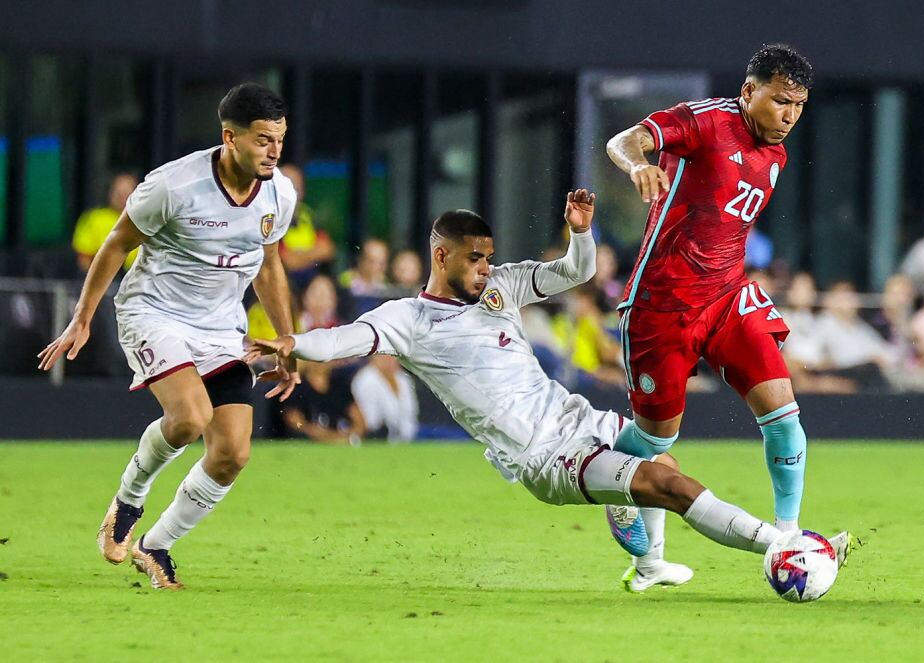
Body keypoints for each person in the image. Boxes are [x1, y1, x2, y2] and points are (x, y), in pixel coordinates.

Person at [247, 191, 850, 592]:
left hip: (575, 417)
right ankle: (786, 550)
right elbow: (344, 342)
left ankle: (648, 567)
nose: (486, 269)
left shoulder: (501, 289)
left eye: (489, 258)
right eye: (475, 259)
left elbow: (575, 273)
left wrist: (580, 234)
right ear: (441, 255)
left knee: (663, 455)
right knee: (666, 484)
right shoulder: (408, 318)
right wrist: (290, 343)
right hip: (542, 455)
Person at [38, 83, 301, 590]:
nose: (275, 152)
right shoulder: (174, 185)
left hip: (221, 327)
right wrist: (83, 316)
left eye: (281, 140)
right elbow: (116, 244)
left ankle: (156, 545)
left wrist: (288, 341)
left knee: (233, 454)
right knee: (188, 419)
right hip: (154, 313)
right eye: (264, 140)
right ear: (230, 138)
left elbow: (268, 267)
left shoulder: (279, 192)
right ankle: (129, 499)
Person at [605, 44, 814, 533]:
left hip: (727, 299)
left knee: (785, 416)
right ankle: (614, 478)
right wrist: (638, 165)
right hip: (663, 304)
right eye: (780, 101)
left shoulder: (776, 155)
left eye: (799, 105)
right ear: (749, 90)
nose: (789, 116)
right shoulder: (706, 122)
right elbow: (625, 140)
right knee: (656, 441)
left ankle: (788, 538)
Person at [278, 163, 336, 289]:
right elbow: (287, 262)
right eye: (291, 186)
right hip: (283, 285)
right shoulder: (269, 219)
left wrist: (299, 255)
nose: (295, 192)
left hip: (311, 286)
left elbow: (327, 249)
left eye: (298, 187)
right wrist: (312, 254)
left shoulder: (307, 215)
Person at [284, 360, 365, 445]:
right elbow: (295, 422)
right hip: (310, 443)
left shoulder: (340, 384)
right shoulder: (298, 387)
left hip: (343, 438)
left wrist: (352, 434)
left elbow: (359, 420)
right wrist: (316, 433)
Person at [72, 172, 140, 273]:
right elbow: (84, 259)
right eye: (118, 192)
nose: (122, 197)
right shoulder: (94, 218)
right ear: (110, 193)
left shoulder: (150, 221)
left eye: (126, 192)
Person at [351, 354, 419, 441]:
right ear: (374, 356)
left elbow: (412, 414)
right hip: (377, 441)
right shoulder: (365, 380)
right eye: (384, 355)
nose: (390, 359)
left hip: (408, 441)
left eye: (392, 355)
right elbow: (371, 422)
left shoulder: (403, 379)